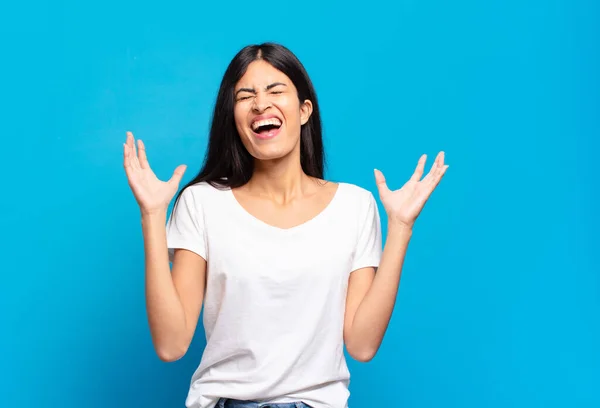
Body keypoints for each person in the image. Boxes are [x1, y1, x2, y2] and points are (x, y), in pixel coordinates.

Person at [123, 42, 448, 408]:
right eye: (245, 95)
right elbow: (171, 344)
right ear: (234, 116)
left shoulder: (355, 206)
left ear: (304, 109)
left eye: (276, 90)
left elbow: (362, 344)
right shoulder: (202, 203)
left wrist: (401, 226)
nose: (261, 104)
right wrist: (152, 215)